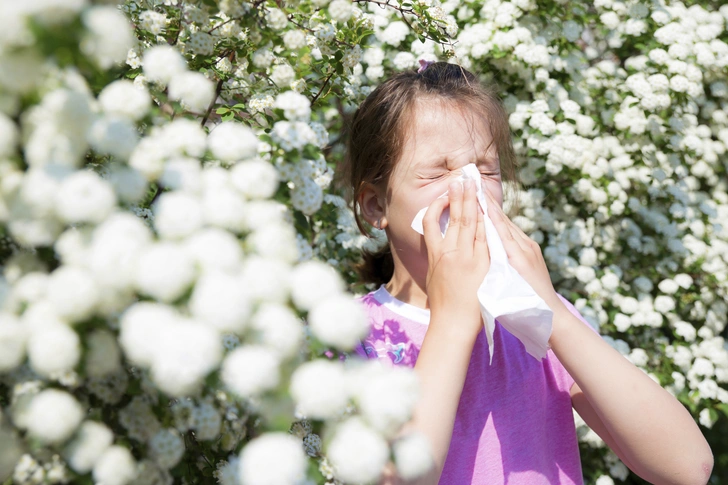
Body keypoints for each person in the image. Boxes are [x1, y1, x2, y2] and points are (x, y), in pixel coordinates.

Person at [343, 61, 713, 485]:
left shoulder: (529, 319)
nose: (471, 187)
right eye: (439, 171)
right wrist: (454, 320)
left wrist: (551, 310)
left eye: (486, 168)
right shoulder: (353, 337)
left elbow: (687, 467)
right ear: (375, 206)